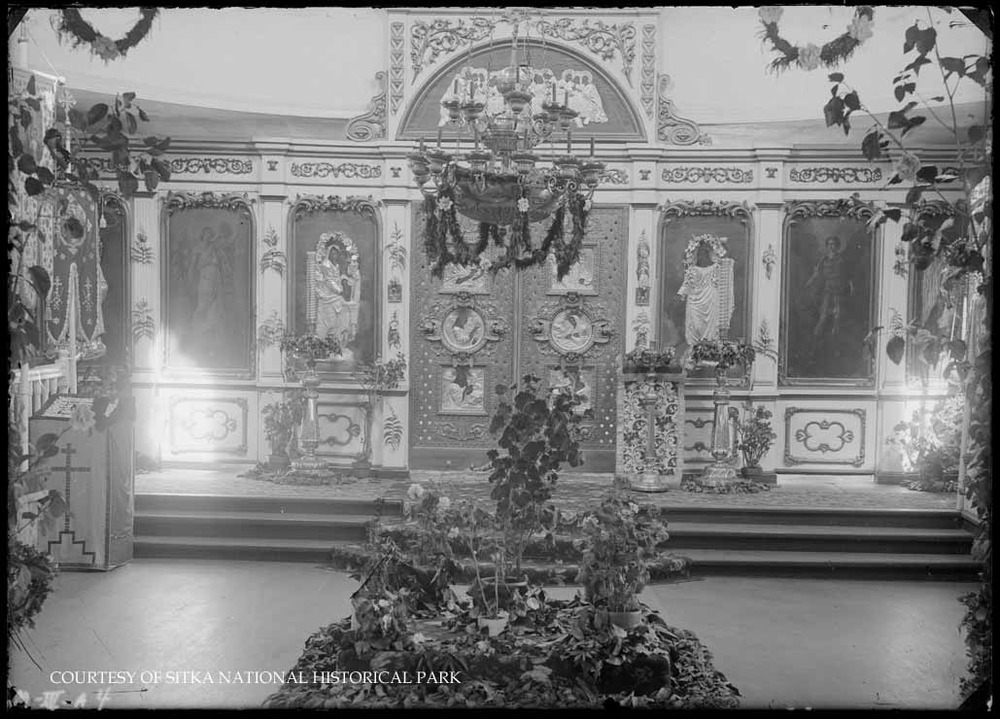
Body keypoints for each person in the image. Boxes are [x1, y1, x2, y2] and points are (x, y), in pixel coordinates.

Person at [677, 238, 735, 346]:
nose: (702, 256)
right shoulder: (693, 269)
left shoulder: (714, 268)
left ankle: (709, 347)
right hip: (695, 301)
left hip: (710, 298)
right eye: (700, 254)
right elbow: (688, 284)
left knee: (711, 328)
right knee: (695, 325)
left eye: (705, 253)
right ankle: (695, 348)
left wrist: (721, 248)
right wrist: (683, 294)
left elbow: (725, 265)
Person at [315, 234, 360, 360]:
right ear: (329, 253)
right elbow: (329, 281)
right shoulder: (326, 265)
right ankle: (329, 345)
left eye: (336, 254)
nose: (335, 256)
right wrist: (339, 289)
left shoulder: (337, 265)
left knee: (342, 316)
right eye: (333, 253)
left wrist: (344, 283)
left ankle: (339, 342)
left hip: (336, 296)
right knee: (331, 321)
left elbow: (338, 279)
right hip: (329, 297)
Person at [805, 235, 852, 339]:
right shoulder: (824, 260)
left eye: (834, 244)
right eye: (830, 244)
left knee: (838, 313)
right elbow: (817, 273)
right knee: (824, 313)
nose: (832, 246)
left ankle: (835, 335)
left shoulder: (842, 260)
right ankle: (816, 335)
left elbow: (848, 275)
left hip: (839, 289)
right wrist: (809, 283)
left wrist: (851, 286)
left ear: (837, 246)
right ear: (827, 246)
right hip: (827, 289)